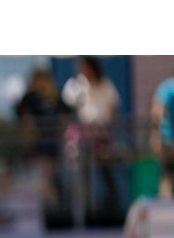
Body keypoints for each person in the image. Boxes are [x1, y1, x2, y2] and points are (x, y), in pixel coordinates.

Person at [61, 56, 122, 222]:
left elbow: (113, 106)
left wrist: (105, 127)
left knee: (106, 170)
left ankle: (113, 208)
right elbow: (67, 105)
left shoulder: (105, 84)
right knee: (81, 172)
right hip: (83, 137)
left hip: (102, 136)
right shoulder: (76, 85)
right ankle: (85, 211)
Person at [14, 67, 74, 222]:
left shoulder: (54, 97)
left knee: (48, 178)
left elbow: (67, 115)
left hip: (52, 145)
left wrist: (61, 133)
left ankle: (55, 210)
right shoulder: (31, 98)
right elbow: (24, 118)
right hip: (38, 145)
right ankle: (54, 209)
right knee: (45, 179)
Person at [151, 64, 174, 200]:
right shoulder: (167, 88)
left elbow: (156, 113)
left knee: (167, 175)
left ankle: (166, 210)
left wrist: (155, 136)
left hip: (166, 140)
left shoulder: (165, 88)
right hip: (168, 140)